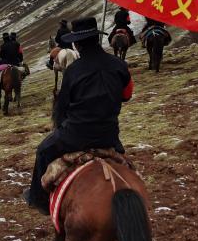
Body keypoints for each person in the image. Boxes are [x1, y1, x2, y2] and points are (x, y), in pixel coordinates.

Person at [23, 17, 134, 215]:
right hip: (109, 134)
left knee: (42, 151)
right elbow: (127, 95)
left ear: (77, 43)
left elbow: (63, 106)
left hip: (76, 135)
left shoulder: (73, 70)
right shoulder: (119, 65)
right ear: (96, 38)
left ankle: (38, 200)